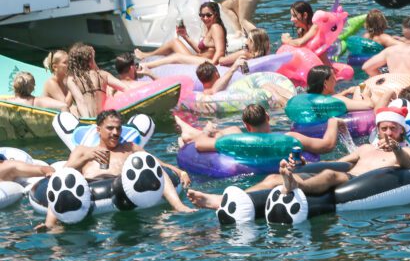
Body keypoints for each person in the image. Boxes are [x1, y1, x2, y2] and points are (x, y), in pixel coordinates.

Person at [187, 106, 410, 209]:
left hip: (357, 180)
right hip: (347, 172)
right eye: (383, 128)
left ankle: (295, 184)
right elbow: (341, 161)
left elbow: (408, 164)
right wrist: (307, 164)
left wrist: (395, 148)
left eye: (392, 129)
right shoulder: (365, 148)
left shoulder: (405, 150)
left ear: (401, 131)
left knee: (330, 175)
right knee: (273, 178)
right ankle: (223, 200)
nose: (387, 133)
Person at [40, 110, 193, 229]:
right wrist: (87, 157)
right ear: (98, 130)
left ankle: (179, 206)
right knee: (61, 184)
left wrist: (180, 172)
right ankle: (50, 225)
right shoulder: (82, 150)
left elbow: (157, 164)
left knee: (153, 169)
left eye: (118, 128)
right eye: (110, 128)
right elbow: (64, 173)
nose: (115, 133)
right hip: (91, 192)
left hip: (124, 189)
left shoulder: (129, 147)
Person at [176, 102, 344, 156]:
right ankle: (189, 131)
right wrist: (333, 122)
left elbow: (200, 145)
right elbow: (327, 145)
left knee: (225, 132)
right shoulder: (290, 138)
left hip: (240, 151)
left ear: (246, 125)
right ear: (268, 118)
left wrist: (206, 131)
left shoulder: (235, 141)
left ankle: (189, 131)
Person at [135, 1, 227, 67]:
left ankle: (145, 65)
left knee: (177, 57)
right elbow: (201, 51)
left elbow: (220, 51)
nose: (205, 18)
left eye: (208, 15)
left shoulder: (216, 27)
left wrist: (213, 65)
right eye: (202, 15)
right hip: (198, 58)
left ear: (216, 14)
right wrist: (185, 36)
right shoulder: (209, 28)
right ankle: (147, 55)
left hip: (208, 62)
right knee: (175, 42)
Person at [66, 43, 126, 118]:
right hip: (104, 120)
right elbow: (126, 88)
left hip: (88, 120)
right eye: (94, 59)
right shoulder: (104, 75)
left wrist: (88, 122)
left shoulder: (72, 79)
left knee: (73, 108)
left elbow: (81, 102)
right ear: (90, 61)